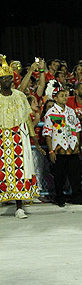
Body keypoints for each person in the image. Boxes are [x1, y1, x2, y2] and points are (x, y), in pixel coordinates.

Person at [0, 57, 44, 218]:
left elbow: (27, 119)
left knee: (19, 171)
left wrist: (36, 142)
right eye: (4, 78)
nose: (7, 81)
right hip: (1, 140)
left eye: (9, 78)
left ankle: (19, 207)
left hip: (18, 138)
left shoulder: (19, 96)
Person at [42, 88, 82, 207]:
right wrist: (51, 150)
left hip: (73, 148)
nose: (65, 97)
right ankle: (60, 198)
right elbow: (47, 133)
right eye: (62, 96)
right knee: (59, 176)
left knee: (76, 174)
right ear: (55, 98)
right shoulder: (50, 113)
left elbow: (77, 128)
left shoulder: (71, 111)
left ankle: (77, 197)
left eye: (66, 95)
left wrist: (79, 145)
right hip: (58, 149)